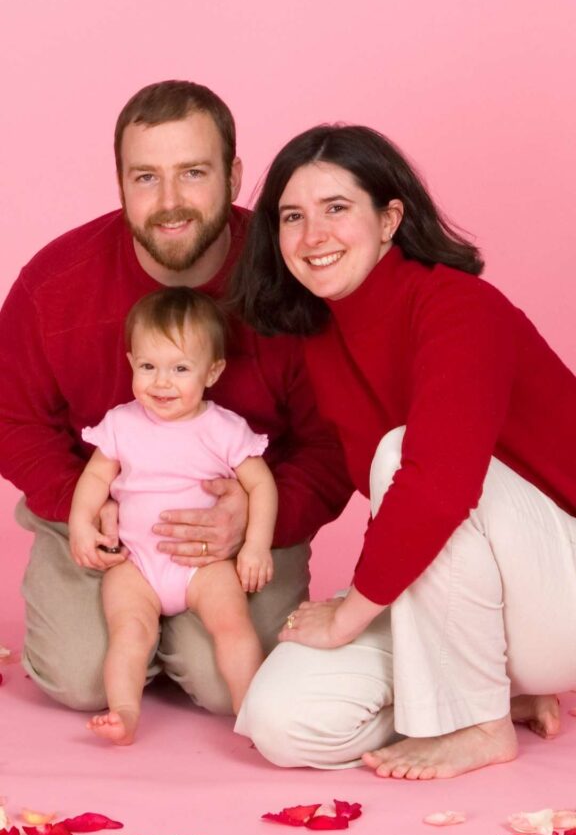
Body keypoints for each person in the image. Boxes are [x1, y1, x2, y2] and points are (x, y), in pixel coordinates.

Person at [231, 123, 576, 779]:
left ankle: (478, 725)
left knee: (404, 456)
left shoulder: (460, 307)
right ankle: (489, 688)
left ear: (391, 218)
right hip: (476, 594)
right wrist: (245, 516)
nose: (312, 237)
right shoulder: (321, 340)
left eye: (337, 209)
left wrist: (349, 614)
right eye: (292, 217)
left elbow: (437, 486)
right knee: (282, 720)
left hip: (563, 580)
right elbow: (333, 470)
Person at [0, 82, 352, 715]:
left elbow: (333, 441)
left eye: (193, 173)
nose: (169, 203)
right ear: (120, 183)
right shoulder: (55, 283)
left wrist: (255, 521)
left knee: (230, 688)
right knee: (79, 681)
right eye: (145, 177)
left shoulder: (292, 278)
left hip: (239, 532)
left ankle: (175, 645)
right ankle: (135, 635)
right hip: (102, 519)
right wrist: (84, 502)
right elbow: (10, 417)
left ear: (234, 174)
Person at [70, 288, 277, 744]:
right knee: (130, 631)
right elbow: (95, 479)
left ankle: (253, 710)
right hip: (137, 563)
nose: (161, 383)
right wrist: (81, 524)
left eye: (180, 368)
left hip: (202, 566)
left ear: (213, 371)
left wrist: (256, 545)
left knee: (233, 626)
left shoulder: (222, 429)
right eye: (148, 367)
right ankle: (124, 712)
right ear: (131, 363)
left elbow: (261, 484)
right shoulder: (122, 423)